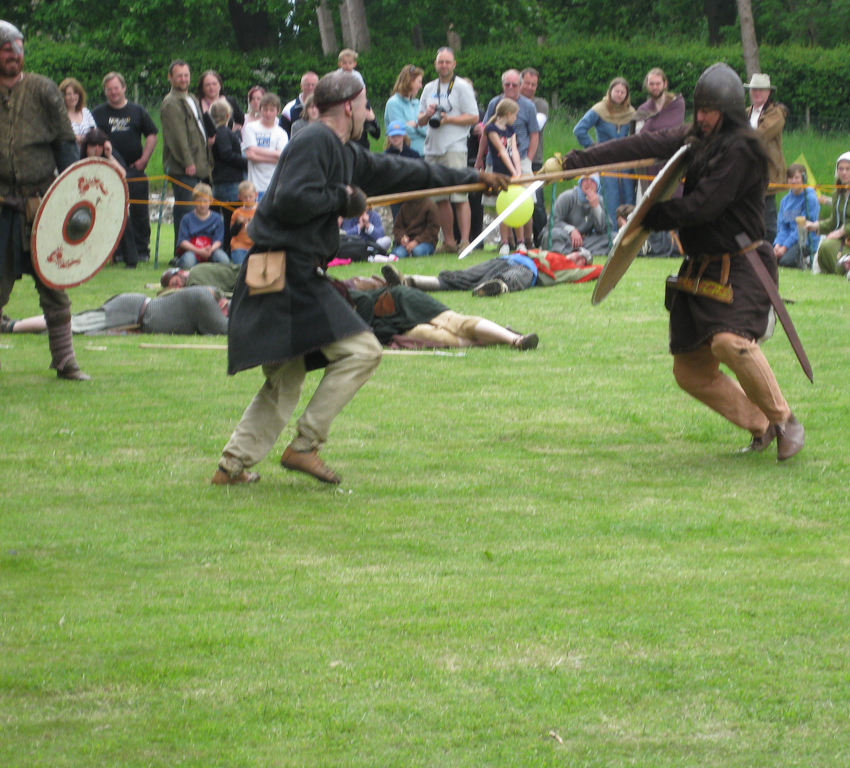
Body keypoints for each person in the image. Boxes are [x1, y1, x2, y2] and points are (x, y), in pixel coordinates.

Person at [213, 70, 509, 486]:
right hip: (285, 271)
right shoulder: (313, 140)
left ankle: (230, 468)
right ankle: (304, 447)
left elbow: (404, 172)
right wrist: (345, 198)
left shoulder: (343, 151)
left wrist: (472, 179)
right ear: (349, 106)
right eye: (366, 106)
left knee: (287, 375)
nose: (369, 114)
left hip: (289, 270)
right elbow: (290, 198)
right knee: (363, 350)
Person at [546, 62, 805, 460]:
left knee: (730, 342)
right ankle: (761, 423)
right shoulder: (698, 135)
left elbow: (703, 207)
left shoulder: (742, 150)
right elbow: (640, 146)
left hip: (742, 265)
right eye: (698, 109)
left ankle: (785, 419)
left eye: (709, 111)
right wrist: (574, 162)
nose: (700, 118)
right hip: (701, 266)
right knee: (691, 373)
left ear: (729, 111)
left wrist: (647, 216)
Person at [0, 20, 89, 380]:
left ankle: (65, 361)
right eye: (7, 49)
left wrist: (70, 199)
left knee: (54, 285)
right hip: (2, 205)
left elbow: (66, 147)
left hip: (42, 205)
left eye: (18, 48)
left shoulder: (43, 90)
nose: (14, 55)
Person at [346, 283, 538, 350]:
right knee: (439, 338)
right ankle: (500, 337)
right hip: (393, 327)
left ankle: (516, 340)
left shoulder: (329, 292)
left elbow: (363, 300)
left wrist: (362, 334)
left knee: (455, 323)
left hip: (398, 301)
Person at [418, 47, 480, 254]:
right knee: (440, 197)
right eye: (440, 62)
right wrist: (427, 115)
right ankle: (449, 242)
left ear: (454, 64)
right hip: (432, 148)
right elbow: (419, 120)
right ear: (435, 64)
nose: (443, 65)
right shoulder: (428, 88)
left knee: (459, 195)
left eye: (447, 62)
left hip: (454, 146)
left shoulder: (462, 87)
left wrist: (448, 119)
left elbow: (473, 117)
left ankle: (465, 241)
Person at [92, 71, 158, 262]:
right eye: (109, 89)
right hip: (108, 172)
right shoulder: (98, 113)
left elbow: (152, 134)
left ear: (123, 88)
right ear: (105, 92)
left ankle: (142, 250)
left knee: (139, 212)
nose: (113, 92)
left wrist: (144, 159)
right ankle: (118, 252)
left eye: (116, 88)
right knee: (112, 211)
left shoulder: (137, 111)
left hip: (134, 170)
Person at [3, 286, 229, 335]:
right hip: (132, 310)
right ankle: (10, 326)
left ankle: (13, 324)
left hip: (134, 315)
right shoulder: (204, 299)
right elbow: (223, 329)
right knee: (74, 324)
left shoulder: (205, 297)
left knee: (74, 325)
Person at [477, 69, 540, 248]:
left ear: (520, 85)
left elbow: (534, 134)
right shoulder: (494, 104)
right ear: (502, 85)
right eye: (507, 84)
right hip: (495, 162)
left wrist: (527, 159)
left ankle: (527, 241)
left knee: (527, 201)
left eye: (514, 84)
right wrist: (480, 158)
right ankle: (506, 241)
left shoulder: (528, 106)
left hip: (521, 159)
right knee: (500, 202)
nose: (511, 87)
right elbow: (486, 133)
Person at [382, 247, 601, 297]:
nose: (577, 256)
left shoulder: (572, 270)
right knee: (464, 277)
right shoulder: (547, 250)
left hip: (527, 269)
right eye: (577, 253)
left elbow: (600, 270)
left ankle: (494, 288)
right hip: (506, 258)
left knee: (512, 278)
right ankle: (409, 281)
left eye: (582, 258)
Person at [161, 59, 212, 246]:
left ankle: (197, 248)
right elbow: (177, 136)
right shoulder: (171, 102)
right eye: (179, 75)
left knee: (198, 209)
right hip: (184, 168)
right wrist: (187, 162)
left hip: (200, 164)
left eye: (186, 75)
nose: (183, 79)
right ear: (170, 77)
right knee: (186, 209)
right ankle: (180, 251)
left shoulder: (191, 97)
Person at [573, 77, 636, 224]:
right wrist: (595, 149)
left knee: (629, 198)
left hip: (626, 163)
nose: (619, 94)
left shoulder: (631, 112)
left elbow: (637, 135)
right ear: (610, 91)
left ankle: (630, 235)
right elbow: (579, 130)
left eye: (622, 92)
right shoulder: (599, 109)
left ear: (626, 95)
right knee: (610, 198)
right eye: (616, 91)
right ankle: (610, 235)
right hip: (606, 162)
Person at [79, 128, 140, 268]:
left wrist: (110, 155)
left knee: (123, 216)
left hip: (108, 201)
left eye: (99, 146)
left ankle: (131, 259)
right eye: (92, 146)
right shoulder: (80, 160)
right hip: (86, 204)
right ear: (86, 147)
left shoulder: (110, 157)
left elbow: (123, 174)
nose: (96, 149)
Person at [745, 73, 787, 243]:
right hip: (746, 174)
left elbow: (760, 136)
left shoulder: (776, 113)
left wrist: (738, 138)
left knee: (768, 221)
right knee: (748, 217)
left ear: (768, 92)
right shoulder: (746, 113)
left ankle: (769, 254)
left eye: (761, 90)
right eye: (754, 89)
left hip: (767, 173)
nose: (757, 93)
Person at [632, 68, 686, 194]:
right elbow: (639, 137)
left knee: (675, 194)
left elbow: (674, 128)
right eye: (651, 84)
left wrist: (653, 128)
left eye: (658, 84)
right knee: (653, 197)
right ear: (647, 85)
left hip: (672, 157)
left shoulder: (676, 104)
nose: (654, 87)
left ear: (665, 84)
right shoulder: (643, 109)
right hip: (651, 161)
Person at [483, 97, 523, 254]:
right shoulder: (491, 129)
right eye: (515, 115)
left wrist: (518, 171)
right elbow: (502, 151)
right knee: (504, 206)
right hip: (500, 172)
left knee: (517, 204)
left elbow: (514, 150)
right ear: (508, 113)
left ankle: (520, 242)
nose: (516, 118)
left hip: (513, 172)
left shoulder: (511, 130)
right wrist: (512, 172)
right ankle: (505, 242)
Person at [540, 175, 609, 256]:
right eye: (586, 179)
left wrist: (596, 207)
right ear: (580, 182)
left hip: (585, 241)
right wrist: (571, 230)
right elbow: (552, 221)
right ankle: (572, 252)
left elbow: (605, 230)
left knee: (613, 238)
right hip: (565, 237)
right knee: (552, 235)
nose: (589, 183)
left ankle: (573, 252)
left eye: (593, 180)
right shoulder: (568, 197)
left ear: (597, 185)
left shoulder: (599, 200)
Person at [519, 67, 549, 243]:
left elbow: (535, 127)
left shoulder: (541, 104)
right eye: (527, 83)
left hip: (534, 160)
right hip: (510, 161)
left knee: (536, 204)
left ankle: (541, 241)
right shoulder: (508, 101)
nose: (530, 87)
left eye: (534, 84)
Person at [241, 92, 288, 199]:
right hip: (254, 186)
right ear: (260, 109)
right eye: (265, 109)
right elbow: (250, 151)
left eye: (271, 110)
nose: (268, 113)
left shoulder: (281, 133)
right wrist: (275, 154)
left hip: (274, 184)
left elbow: (282, 156)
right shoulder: (251, 127)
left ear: (278, 111)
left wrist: (256, 155)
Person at [209, 99, 247, 231]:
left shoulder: (215, 132)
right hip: (229, 180)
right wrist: (246, 162)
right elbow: (226, 154)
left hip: (221, 179)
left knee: (226, 218)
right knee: (231, 218)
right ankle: (228, 247)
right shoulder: (222, 132)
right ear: (227, 116)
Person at [773, 163, 819, 269]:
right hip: (788, 241)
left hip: (805, 241)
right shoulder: (785, 201)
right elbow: (782, 227)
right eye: (790, 178)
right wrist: (778, 244)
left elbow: (802, 229)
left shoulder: (810, 199)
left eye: (796, 177)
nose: (793, 181)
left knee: (785, 262)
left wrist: (785, 247)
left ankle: (807, 260)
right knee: (771, 258)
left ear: (804, 178)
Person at [176, 183, 229, 268]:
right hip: (193, 250)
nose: (202, 204)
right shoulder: (186, 218)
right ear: (194, 201)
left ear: (211, 201)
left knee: (224, 261)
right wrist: (199, 251)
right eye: (199, 201)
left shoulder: (217, 218)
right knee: (188, 262)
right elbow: (182, 241)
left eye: (205, 201)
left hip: (211, 249)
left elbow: (218, 240)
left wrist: (210, 250)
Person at [384, 64, 427, 156]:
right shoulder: (394, 103)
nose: (421, 86)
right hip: (405, 157)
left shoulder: (417, 103)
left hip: (424, 155)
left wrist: (416, 125)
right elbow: (400, 132)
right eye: (419, 82)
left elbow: (428, 130)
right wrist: (420, 125)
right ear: (410, 81)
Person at [196, 69, 244, 139]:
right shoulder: (196, 103)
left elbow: (240, 120)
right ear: (202, 87)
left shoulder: (230, 102)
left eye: (214, 84)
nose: (211, 87)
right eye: (207, 85)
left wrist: (230, 133)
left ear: (220, 85)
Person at [59, 77, 95, 146]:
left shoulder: (85, 112)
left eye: (75, 93)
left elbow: (94, 132)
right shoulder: (60, 116)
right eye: (69, 94)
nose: (72, 97)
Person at [280, 71, 319, 135]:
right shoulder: (289, 109)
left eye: (313, 85)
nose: (310, 88)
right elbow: (283, 134)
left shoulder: (325, 106)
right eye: (307, 85)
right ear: (301, 86)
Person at [228, 180, 257, 264]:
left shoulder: (260, 210)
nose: (248, 199)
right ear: (239, 197)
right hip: (239, 245)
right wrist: (238, 223)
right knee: (240, 266)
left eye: (250, 196)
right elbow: (232, 233)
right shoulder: (237, 212)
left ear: (256, 195)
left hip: (255, 245)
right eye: (244, 197)